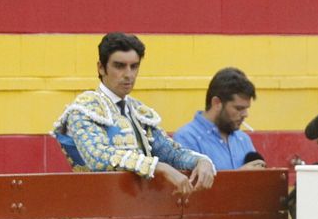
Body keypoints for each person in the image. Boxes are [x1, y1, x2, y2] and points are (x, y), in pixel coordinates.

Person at [52, 33, 215, 194]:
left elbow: (170, 153)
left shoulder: (138, 111)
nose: (128, 74)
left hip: (134, 206)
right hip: (95, 203)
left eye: (134, 66)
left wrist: (201, 161)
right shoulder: (84, 109)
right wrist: (158, 167)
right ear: (101, 68)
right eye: (119, 66)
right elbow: (98, 157)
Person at [175, 68, 266, 170]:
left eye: (246, 108)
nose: (245, 114)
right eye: (239, 108)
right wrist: (240, 176)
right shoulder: (187, 138)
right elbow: (190, 184)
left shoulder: (243, 139)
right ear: (217, 103)